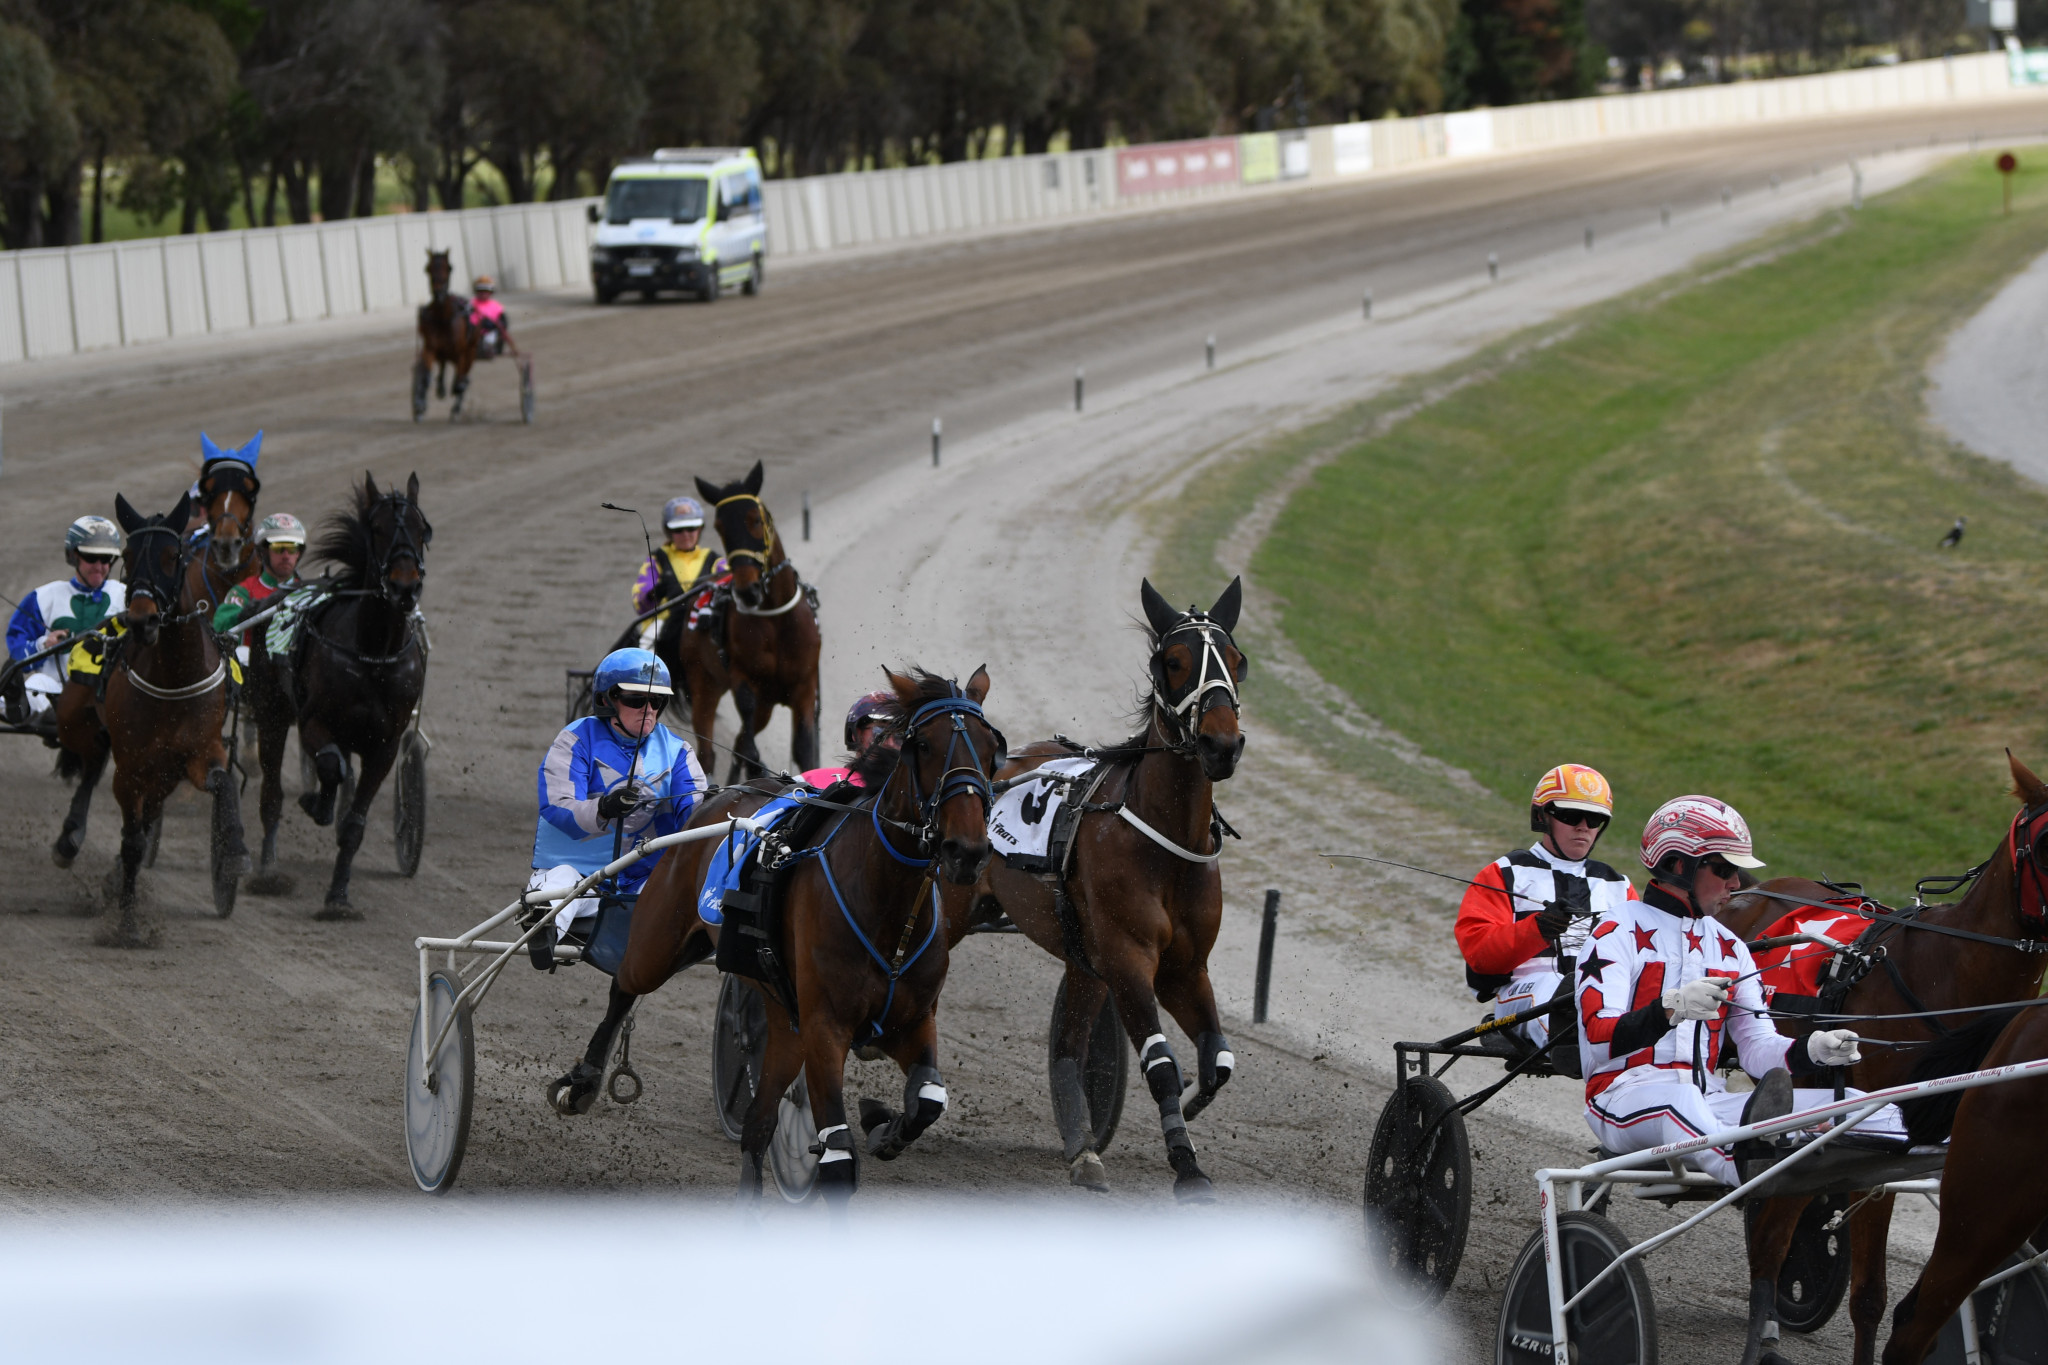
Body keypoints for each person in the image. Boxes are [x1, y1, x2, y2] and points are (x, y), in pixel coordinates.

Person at [1576, 794, 1898, 1185]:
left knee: (1868, 1108)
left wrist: (1811, 1050)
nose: (1736, 883)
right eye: (1724, 869)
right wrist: (1670, 1009)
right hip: (1622, 1098)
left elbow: (1757, 1050)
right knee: (1680, 1101)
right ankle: (1748, 1168)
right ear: (1677, 864)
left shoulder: (1730, 948)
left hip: (1708, 1102)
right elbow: (1597, 1039)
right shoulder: (1614, 931)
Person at [527, 648, 706, 968]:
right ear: (608, 699)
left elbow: (693, 814)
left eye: (657, 701)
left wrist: (710, 808)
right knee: (562, 883)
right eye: (637, 700)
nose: (649, 710)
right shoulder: (575, 740)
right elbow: (557, 805)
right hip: (581, 877)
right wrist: (604, 808)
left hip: (643, 886)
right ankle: (544, 925)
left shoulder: (678, 752)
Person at [1455, 763, 1635, 1052]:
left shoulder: (1619, 885)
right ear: (1542, 816)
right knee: (1555, 988)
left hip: (1599, 995)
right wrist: (1538, 929)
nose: (1583, 827)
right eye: (1571, 815)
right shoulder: (1504, 873)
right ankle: (1588, 1049)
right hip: (1523, 994)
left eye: (1594, 819)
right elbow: (1480, 957)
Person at [5, 516, 128, 729]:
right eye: (91, 557)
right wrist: (43, 644)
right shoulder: (42, 598)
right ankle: (20, 706)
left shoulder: (127, 596)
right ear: (73, 556)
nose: (99, 567)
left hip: (112, 690)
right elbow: (16, 649)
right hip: (56, 691)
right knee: (35, 685)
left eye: (106, 559)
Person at [631, 496, 724, 649]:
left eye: (691, 528)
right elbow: (640, 604)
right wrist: (655, 593)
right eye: (678, 530)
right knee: (646, 645)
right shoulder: (657, 559)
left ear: (700, 529)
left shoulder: (715, 560)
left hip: (702, 620)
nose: (686, 534)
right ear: (669, 532)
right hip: (664, 623)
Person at [213, 512, 306, 641]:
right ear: (263, 552)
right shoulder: (243, 592)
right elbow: (219, 626)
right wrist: (245, 613)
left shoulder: (307, 592)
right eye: (278, 548)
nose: (286, 556)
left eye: (292, 548)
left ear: (298, 554)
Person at [799, 690, 901, 788]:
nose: (891, 743)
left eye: (900, 735)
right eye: (880, 732)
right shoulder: (811, 781)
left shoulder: (913, 792)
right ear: (856, 734)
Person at [468, 277, 517, 359]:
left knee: (493, 338)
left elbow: (503, 320)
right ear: (476, 292)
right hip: (476, 331)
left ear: (490, 292)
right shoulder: (472, 304)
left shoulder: (496, 305)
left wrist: (500, 325)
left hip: (491, 331)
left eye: (486, 292)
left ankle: (494, 349)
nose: (483, 294)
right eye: (481, 292)